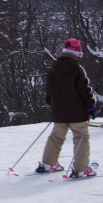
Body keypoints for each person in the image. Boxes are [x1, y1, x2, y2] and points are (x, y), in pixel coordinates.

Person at [36, 38, 99, 177]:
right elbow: (84, 90)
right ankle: (81, 169)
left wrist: (53, 104)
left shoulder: (53, 68)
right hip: (77, 113)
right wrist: (91, 106)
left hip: (59, 112)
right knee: (81, 137)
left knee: (56, 137)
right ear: (77, 53)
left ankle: (48, 163)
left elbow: (49, 90)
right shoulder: (77, 69)